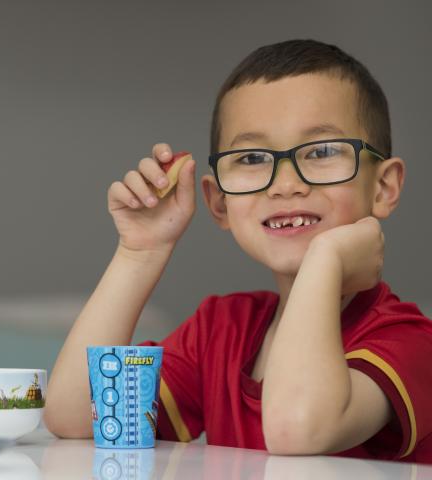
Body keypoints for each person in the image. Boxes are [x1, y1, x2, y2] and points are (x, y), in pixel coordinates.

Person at [44, 39, 432, 463]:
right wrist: (140, 252)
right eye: (251, 158)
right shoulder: (220, 331)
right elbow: (78, 417)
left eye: (321, 151)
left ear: (384, 187)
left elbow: (297, 427)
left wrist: (327, 260)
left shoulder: (409, 340)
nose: (285, 184)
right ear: (218, 201)